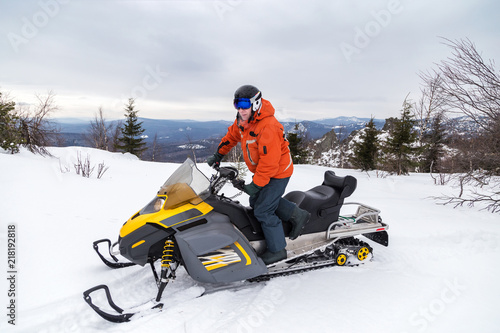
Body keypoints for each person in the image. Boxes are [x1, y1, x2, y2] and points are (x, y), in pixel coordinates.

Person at [207, 85, 310, 265]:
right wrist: (218, 154)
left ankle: (277, 250)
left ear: (255, 104)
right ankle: (297, 215)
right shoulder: (243, 120)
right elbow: (231, 136)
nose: (241, 110)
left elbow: (269, 162)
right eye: (237, 105)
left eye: (245, 105)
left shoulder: (268, 126)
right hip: (265, 170)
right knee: (257, 201)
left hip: (279, 171)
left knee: (263, 209)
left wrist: (256, 185)